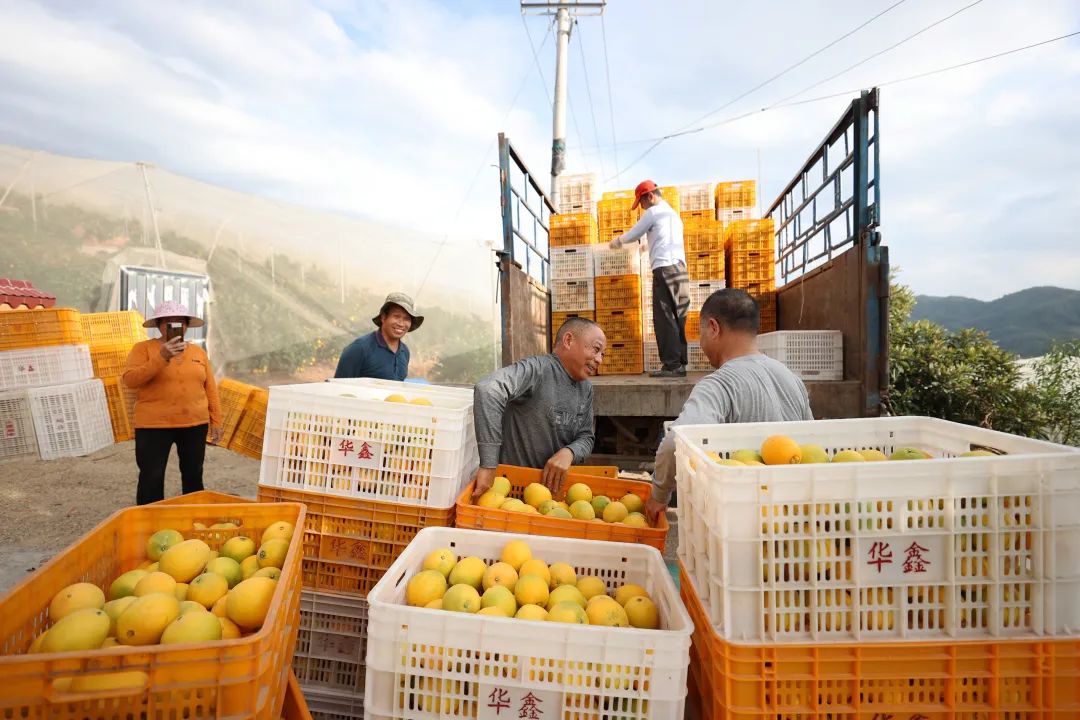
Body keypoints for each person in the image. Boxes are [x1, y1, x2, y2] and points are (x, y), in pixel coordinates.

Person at [646, 289, 813, 523]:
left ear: (713, 328)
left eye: (701, 333)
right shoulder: (791, 379)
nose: (701, 343)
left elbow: (677, 442)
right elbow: (810, 443)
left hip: (740, 519)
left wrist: (659, 495)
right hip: (792, 515)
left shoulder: (717, 385)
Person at [471, 317, 606, 494]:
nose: (599, 360)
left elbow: (586, 436)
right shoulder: (537, 369)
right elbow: (489, 389)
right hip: (512, 491)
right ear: (568, 340)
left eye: (603, 354)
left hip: (552, 495)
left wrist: (569, 452)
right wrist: (489, 464)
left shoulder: (585, 388)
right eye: (596, 349)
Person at [123, 301, 222, 505]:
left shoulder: (198, 352)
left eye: (179, 322)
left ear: (186, 325)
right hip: (154, 425)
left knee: (194, 475)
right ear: (159, 325)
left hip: (195, 423)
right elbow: (130, 380)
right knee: (151, 476)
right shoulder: (143, 349)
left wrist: (216, 421)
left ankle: (192, 515)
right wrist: (162, 357)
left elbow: (210, 388)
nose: (174, 326)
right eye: (167, 322)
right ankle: (150, 518)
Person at [609, 179, 689, 377]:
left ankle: (671, 365)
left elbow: (635, 232)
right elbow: (662, 237)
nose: (642, 207)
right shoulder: (673, 215)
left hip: (664, 268)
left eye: (642, 203)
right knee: (679, 315)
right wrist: (647, 246)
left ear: (650, 197)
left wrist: (618, 241)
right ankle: (680, 364)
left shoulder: (653, 212)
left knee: (664, 317)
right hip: (679, 269)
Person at [334, 292, 423, 381]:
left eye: (406, 318)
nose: (401, 323)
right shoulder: (360, 348)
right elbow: (339, 386)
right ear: (383, 317)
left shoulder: (404, 352)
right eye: (396, 316)